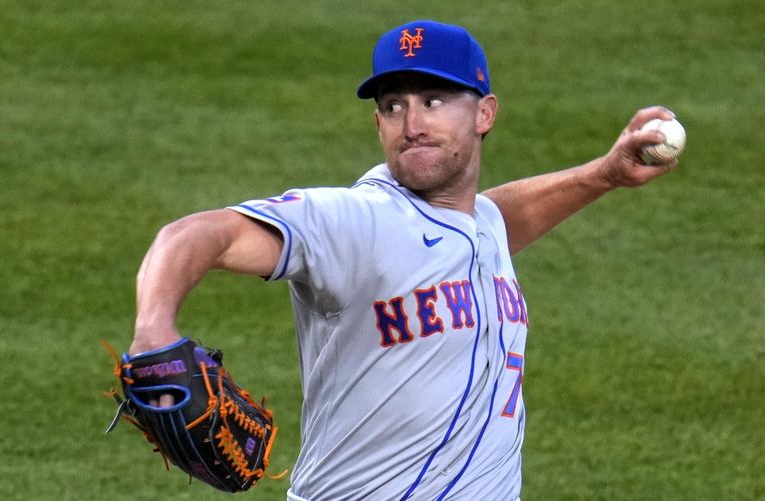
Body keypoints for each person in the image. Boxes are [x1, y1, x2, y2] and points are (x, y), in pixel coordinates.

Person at [129, 20, 677, 500]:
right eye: (394, 106)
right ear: (378, 125)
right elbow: (199, 233)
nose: (412, 123)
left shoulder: (475, 225)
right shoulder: (355, 222)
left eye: (433, 101)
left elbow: (494, 219)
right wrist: (154, 329)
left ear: (485, 113)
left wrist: (603, 175)